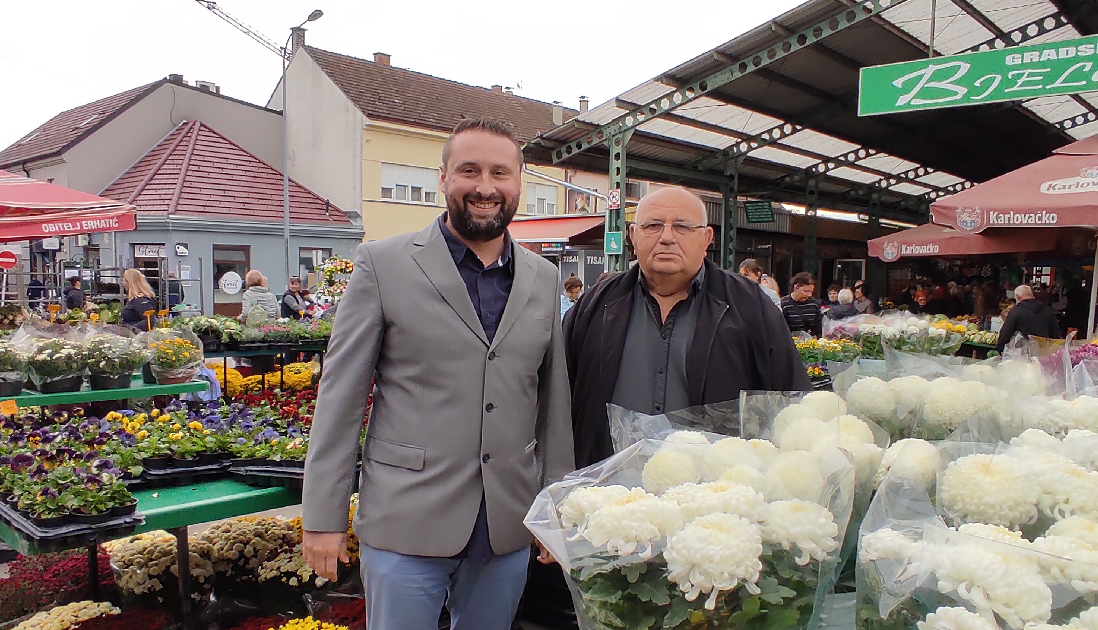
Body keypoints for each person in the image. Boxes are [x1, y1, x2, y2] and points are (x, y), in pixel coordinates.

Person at [301, 117, 574, 630]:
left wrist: (555, 511)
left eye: (501, 173)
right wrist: (322, 517)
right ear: (443, 178)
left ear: (520, 183)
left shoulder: (542, 277)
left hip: (505, 526)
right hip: (406, 522)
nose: (485, 187)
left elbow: (553, 408)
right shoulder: (383, 264)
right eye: (469, 170)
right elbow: (340, 398)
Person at [564, 186, 810, 468]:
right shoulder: (595, 305)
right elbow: (559, 398)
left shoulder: (751, 307)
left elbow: (792, 405)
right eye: (653, 226)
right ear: (633, 236)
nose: (666, 237)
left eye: (682, 227)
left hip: (713, 499)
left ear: (706, 238)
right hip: (611, 495)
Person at [996, 285, 1062, 352]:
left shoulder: (1016, 311)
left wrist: (1000, 349)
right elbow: (1056, 335)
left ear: (1017, 297)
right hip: (1043, 353)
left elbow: (1005, 333)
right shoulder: (1047, 310)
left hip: (1023, 355)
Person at [781, 272, 823, 337]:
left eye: (811, 292)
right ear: (796, 288)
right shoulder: (784, 304)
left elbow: (818, 327)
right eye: (806, 291)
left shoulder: (814, 303)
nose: (809, 295)